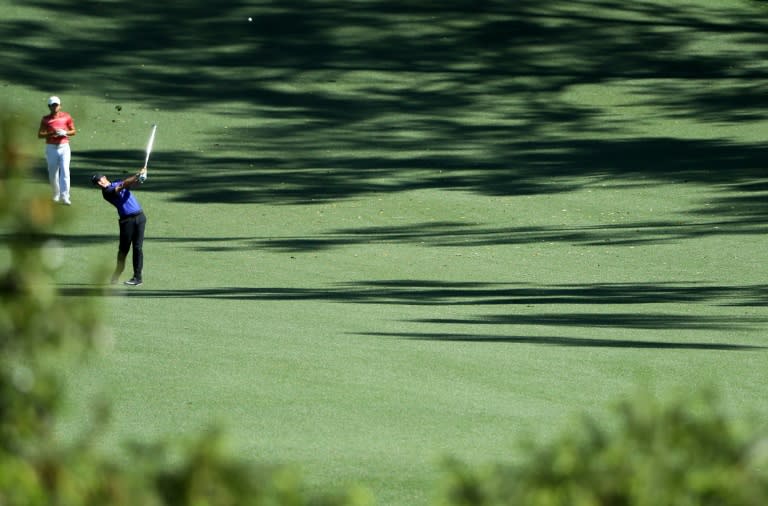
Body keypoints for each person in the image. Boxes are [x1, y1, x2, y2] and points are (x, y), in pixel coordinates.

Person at [91, 168, 148, 286]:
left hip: (140, 217)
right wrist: (137, 174)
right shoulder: (107, 192)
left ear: (105, 177)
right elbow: (123, 185)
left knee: (138, 248)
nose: (100, 183)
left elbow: (133, 184)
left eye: (100, 180)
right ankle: (117, 272)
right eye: (97, 183)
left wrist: (141, 179)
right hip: (126, 222)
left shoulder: (116, 182)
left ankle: (137, 278)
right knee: (123, 250)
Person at [38, 96, 76, 205]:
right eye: (52, 105)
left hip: (64, 147)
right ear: (49, 107)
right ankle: (56, 194)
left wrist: (65, 133)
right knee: (53, 173)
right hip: (51, 148)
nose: (55, 107)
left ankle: (65, 197)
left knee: (65, 172)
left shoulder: (66, 117)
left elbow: (73, 131)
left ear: (60, 106)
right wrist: (52, 133)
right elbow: (40, 134)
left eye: (56, 105)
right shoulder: (45, 119)